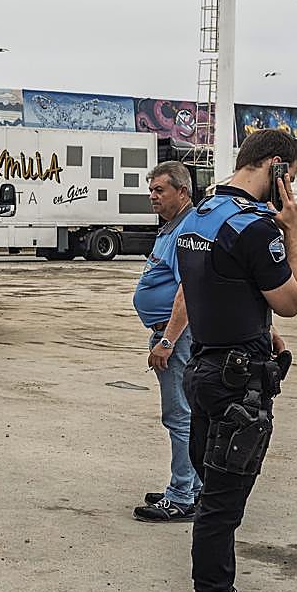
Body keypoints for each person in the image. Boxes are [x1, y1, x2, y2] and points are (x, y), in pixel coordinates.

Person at [173, 128, 297, 592]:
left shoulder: (200, 214)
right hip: (236, 389)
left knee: (212, 500)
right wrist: (295, 237)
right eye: (292, 179)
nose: (291, 192)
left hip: (205, 372)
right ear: (275, 167)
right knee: (222, 510)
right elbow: (293, 299)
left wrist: (258, 326)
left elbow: (217, 287)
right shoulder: (256, 228)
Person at [131, 162, 199, 522]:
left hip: (175, 336)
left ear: (182, 192)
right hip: (168, 333)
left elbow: (187, 291)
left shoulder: (187, 228)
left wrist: (168, 340)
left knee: (179, 417)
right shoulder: (172, 228)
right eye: (151, 190)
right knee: (187, 416)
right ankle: (192, 486)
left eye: (160, 190)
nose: (152, 196)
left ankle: (182, 496)